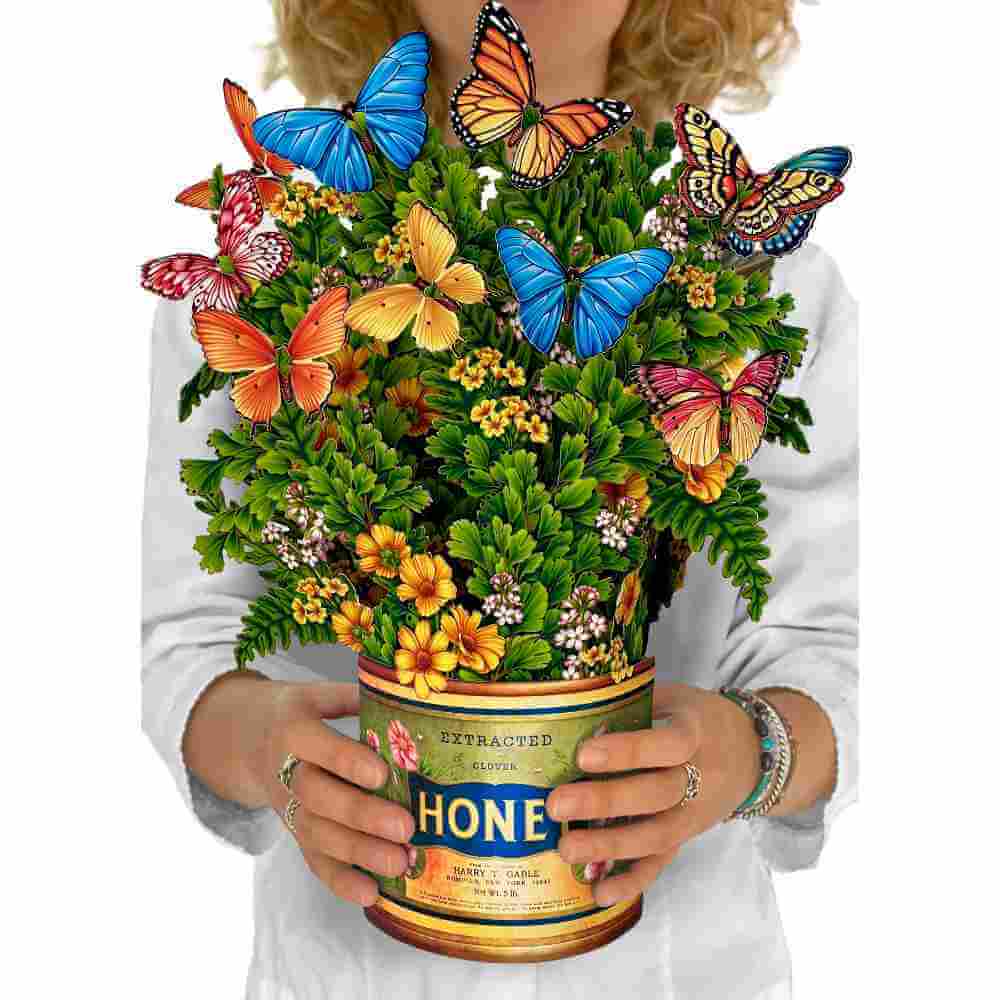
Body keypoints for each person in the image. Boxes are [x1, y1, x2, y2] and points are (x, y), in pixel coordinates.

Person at [142, 2, 857, 997]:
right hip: (352, 964)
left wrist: (746, 754)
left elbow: (837, 650)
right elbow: (189, 641)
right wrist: (265, 747)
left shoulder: (767, 285)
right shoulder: (262, 272)